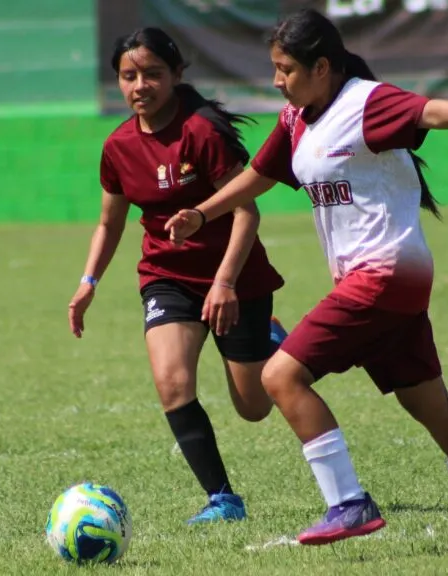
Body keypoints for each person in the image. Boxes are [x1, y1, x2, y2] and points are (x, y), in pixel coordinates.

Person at [165, 8, 448, 549]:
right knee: (427, 403)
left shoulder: (366, 102)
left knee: (280, 375)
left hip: (383, 274)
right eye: (274, 68)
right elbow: (259, 176)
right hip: (386, 281)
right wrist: (203, 214)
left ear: (322, 67)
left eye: (285, 69)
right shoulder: (295, 119)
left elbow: (430, 111)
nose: (276, 80)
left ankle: (348, 503)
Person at [67, 27, 288, 525]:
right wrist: (88, 283)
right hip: (166, 276)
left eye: (152, 74)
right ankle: (222, 499)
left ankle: (272, 340)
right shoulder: (118, 146)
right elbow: (109, 223)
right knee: (172, 382)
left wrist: (225, 283)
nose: (139, 86)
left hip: (235, 278)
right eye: (128, 76)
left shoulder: (201, 132)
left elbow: (247, 211)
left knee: (254, 407)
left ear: (176, 75)